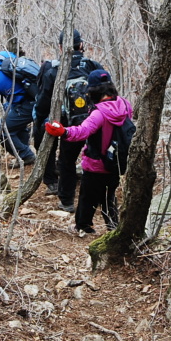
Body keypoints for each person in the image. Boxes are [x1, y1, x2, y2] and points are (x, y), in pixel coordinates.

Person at [45, 69, 132, 235]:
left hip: (96, 163)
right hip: (117, 162)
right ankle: (114, 228)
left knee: (87, 197)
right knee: (109, 196)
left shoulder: (99, 113)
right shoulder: (125, 105)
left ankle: (83, 226)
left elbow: (82, 132)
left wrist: (63, 132)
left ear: (92, 91)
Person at [33, 29, 103, 212]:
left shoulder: (54, 71)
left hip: (67, 125)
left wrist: (39, 121)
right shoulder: (93, 66)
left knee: (66, 161)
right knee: (95, 157)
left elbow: (42, 103)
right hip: (94, 122)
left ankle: (66, 200)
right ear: (81, 45)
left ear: (61, 47)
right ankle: (101, 199)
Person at [0, 42, 37, 167]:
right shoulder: (4, 55)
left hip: (27, 105)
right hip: (34, 97)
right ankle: (24, 155)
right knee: (11, 116)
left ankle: (26, 155)